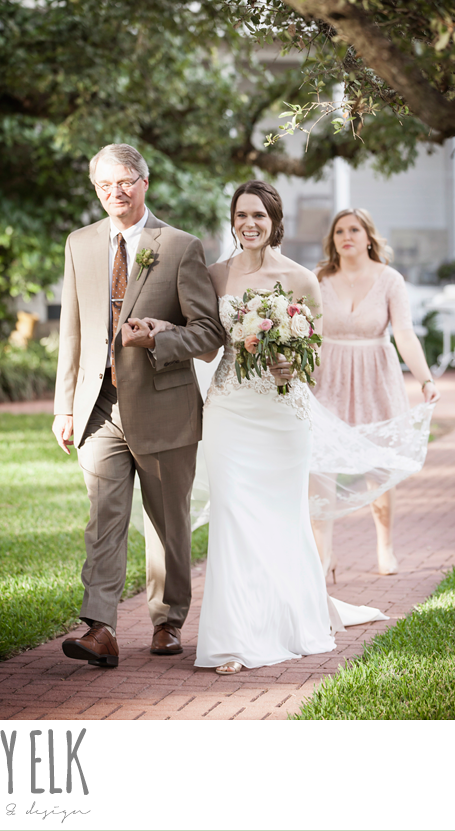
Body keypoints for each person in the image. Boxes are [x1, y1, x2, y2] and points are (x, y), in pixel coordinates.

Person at [166, 180, 386, 675]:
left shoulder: (302, 279)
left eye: (259, 216)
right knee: (234, 519)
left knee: (281, 520)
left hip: (284, 416)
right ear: (232, 220)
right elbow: (205, 345)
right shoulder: (214, 275)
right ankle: (234, 639)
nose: (250, 224)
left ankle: (289, 620)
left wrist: (292, 365)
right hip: (229, 409)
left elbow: (314, 361)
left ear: (274, 222)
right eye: (242, 215)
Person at [52, 143, 224, 668]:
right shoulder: (80, 244)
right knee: (103, 519)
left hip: (165, 406)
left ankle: (168, 621)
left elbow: (210, 334)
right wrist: (64, 406)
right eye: (104, 185)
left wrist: (158, 341)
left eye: (124, 182)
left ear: (144, 183)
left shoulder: (179, 246)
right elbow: (73, 332)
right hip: (98, 407)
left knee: (167, 523)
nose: (115, 193)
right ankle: (100, 628)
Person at [311, 208, 441, 577]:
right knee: (320, 467)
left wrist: (426, 379)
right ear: (333, 240)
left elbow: (404, 333)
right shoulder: (319, 279)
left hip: (375, 380)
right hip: (328, 379)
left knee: (378, 468)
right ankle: (324, 555)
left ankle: (385, 547)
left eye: (354, 229)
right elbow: (310, 333)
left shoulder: (390, 280)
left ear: (369, 237)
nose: (346, 236)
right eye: (339, 231)